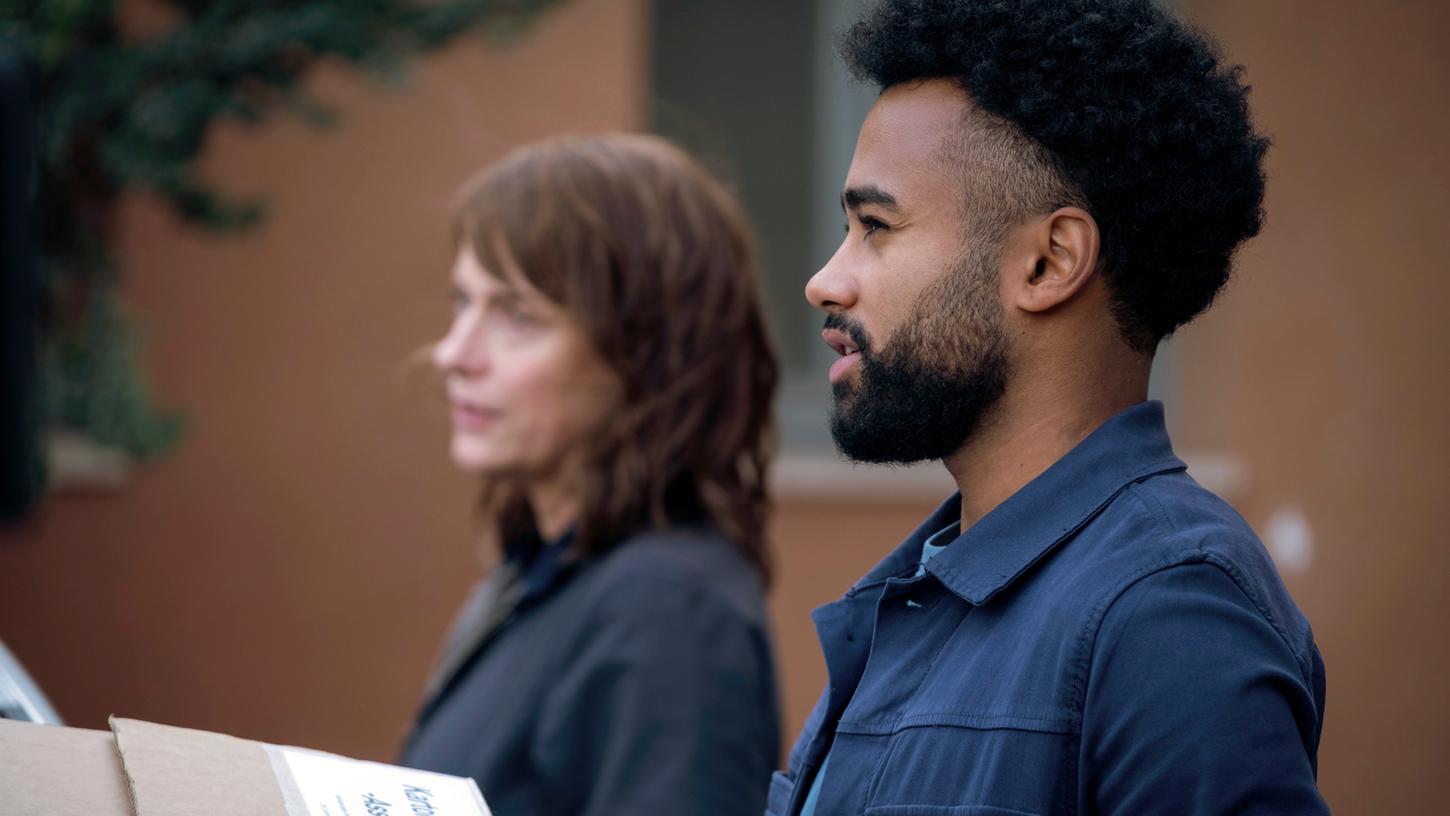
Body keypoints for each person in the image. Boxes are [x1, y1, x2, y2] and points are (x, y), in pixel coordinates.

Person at [770, 1, 1328, 814]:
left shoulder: (1170, 620)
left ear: (1047, 262)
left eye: (876, 226)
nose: (826, 280)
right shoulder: (922, 593)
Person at [401, 133, 780, 815]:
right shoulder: (543, 574)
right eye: (463, 302)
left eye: (516, 314)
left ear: (644, 353)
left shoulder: (668, 610)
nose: (454, 354)